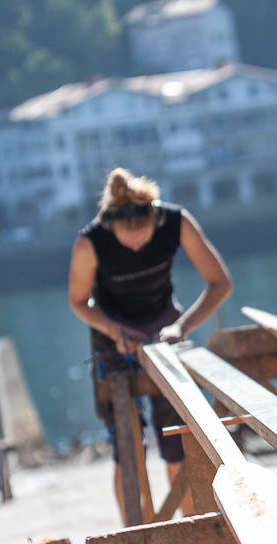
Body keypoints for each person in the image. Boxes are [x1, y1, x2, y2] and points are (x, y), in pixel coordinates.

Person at [69, 168, 232, 523]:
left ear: (155, 218)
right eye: (129, 243)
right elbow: (79, 301)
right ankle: (136, 541)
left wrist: (182, 326)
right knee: (128, 449)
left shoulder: (176, 222)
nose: (138, 247)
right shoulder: (90, 242)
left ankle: (193, 537)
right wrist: (115, 330)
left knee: (178, 442)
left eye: (143, 238)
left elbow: (220, 282)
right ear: (111, 226)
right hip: (113, 339)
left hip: (164, 332)